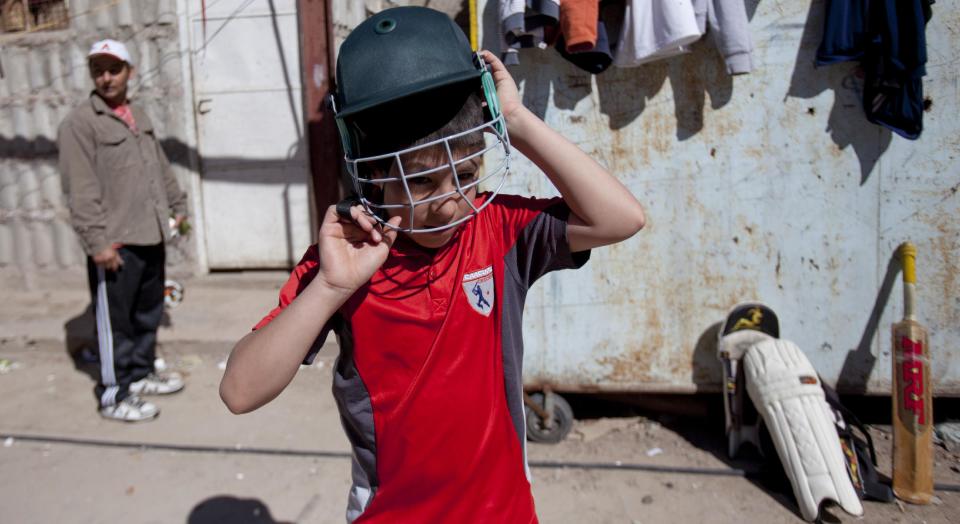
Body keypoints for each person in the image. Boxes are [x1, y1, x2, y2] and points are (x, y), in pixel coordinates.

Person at [219, 6, 646, 522]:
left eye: (465, 172)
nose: (452, 200)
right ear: (374, 176)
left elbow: (621, 218)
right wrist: (331, 286)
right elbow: (239, 392)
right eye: (422, 181)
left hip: (504, 511)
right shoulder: (345, 258)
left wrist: (514, 118)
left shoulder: (496, 230)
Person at [58, 39, 187, 422]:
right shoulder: (80, 123)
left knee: (147, 313)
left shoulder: (138, 115)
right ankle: (114, 394)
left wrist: (177, 208)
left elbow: (159, 169)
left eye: (114, 69)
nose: (106, 77)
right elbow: (80, 189)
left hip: (149, 234)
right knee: (117, 324)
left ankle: (141, 373)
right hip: (114, 243)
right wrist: (97, 242)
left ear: (129, 71)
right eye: (99, 70)